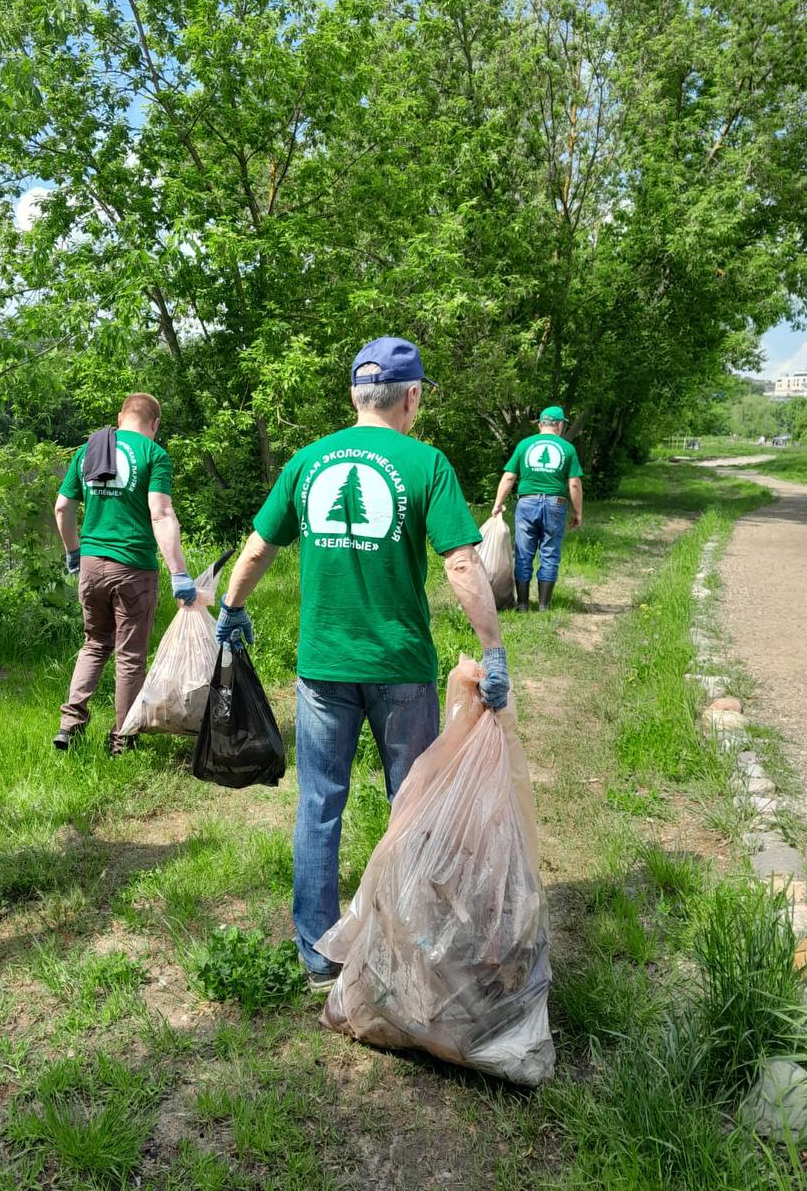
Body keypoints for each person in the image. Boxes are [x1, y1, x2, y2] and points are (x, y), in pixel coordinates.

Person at [215, 338, 510, 990]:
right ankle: (414, 946)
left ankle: (318, 957)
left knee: (320, 804)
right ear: (412, 397)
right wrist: (492, 651)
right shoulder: (426, 463)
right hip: (400, 666)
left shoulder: (308, 461)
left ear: (354, 395)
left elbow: (258, 547)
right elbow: (462, 564)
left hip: (324, 665)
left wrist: (231, 608)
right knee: (413, 802)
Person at [53, 393, 196, 755]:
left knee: (94, 644)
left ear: (120, 417)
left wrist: (73, 552)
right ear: (155, 424)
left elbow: (62, 507)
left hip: (91, 566)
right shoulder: (154, 454)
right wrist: (179, 573)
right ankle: (123, 740)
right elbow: (160, 514)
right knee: (130, 657)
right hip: (132, 567)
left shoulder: (88, 450)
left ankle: (70, 725)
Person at [491, 405, 583, 612]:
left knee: (523, 553)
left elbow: (509, 477)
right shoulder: (567, 448)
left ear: (541, 424)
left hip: (527, 503)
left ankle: (523, 604)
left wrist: (498, 503)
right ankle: (544, 606)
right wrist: (578, 512)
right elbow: (575, 484)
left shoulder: (525, 445)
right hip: (555, 504)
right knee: (550, 552)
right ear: (559, 425)